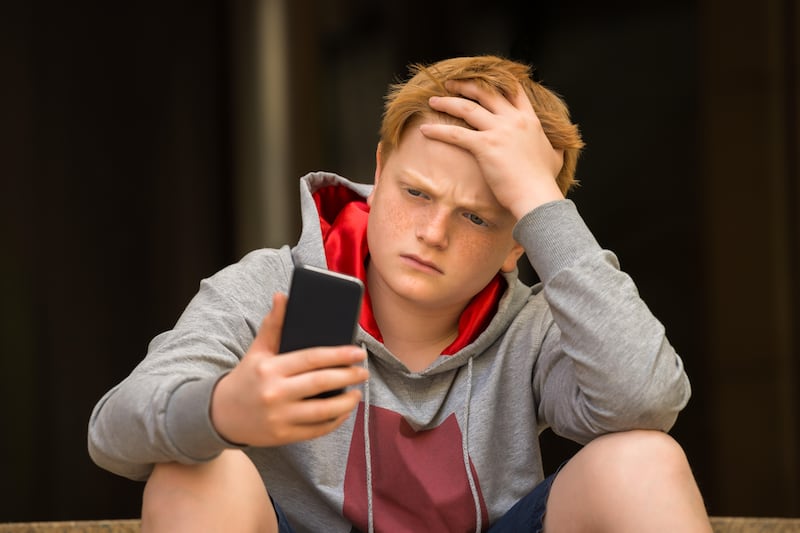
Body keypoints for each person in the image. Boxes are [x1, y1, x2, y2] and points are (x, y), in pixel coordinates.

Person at [88, 55, 712, 532]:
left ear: (521, 240)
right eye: (416, 192)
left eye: (478, 218)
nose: (432, 233)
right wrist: (225, 409)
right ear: (380, 169)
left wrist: (540, 199)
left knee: (643, 459)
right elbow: (112, 433)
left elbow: (645, 399)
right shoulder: (290, 291)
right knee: (195, 471)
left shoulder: (535, 325)